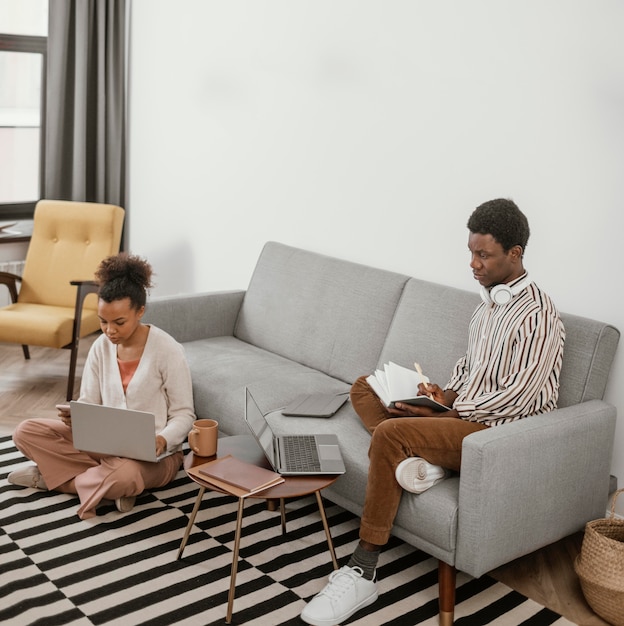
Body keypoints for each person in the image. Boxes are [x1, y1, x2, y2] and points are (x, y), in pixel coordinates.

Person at [300, 198, 566, 626]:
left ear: (515, 254)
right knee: (365, 387)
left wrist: (443, 415)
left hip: (495, 433)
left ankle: (363, 570)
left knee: (389, 434)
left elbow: (517, 397)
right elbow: (471, 369)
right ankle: (421, 458)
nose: (473, 263)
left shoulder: (538, 315)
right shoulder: (488, 307)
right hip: (463, 413)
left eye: (483, 254)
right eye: (471, 252)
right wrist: (443, 393)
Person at [8, 253, 196, 519]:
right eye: (103, 321)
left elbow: (185, 414)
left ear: (140, 311)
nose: (109, 331)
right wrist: (79, 415)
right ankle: (105, 487)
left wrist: (163, 439)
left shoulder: (168, 350)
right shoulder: (100, 347)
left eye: (119, 322)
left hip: (155, 457)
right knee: (26, 431)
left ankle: (53, 479)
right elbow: (89, 400)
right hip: (105, 446)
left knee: (126, 475)